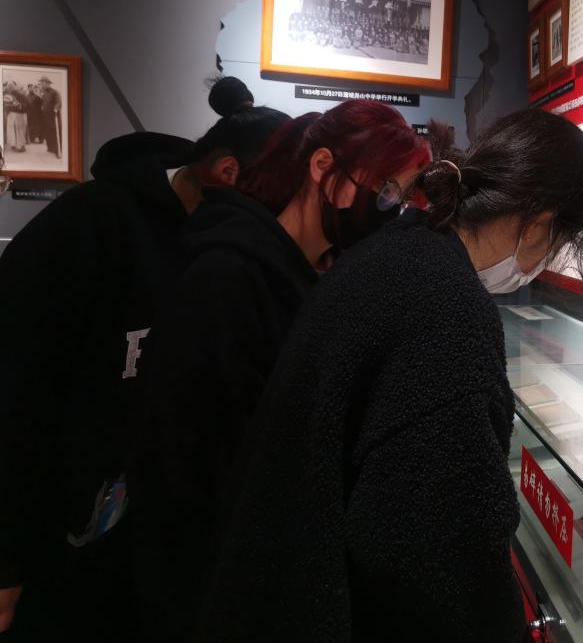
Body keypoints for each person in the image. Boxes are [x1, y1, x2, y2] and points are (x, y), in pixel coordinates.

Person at [197, 109, 583, 643]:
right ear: (539, 223)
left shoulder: (399, 251)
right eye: (557, 242)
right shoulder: (447, 308)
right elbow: (437, 561)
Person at [0, 77, 287, 642]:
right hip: (55, 553)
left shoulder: (225, 257)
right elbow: (16, 387)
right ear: (227, 172)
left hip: (144, 557)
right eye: (274, 200)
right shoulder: (91, 223)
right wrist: (6, 559)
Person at [133, 100, 430, 643]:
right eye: (385, 187)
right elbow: (193, 463)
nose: (389, 207)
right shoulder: (229, 276)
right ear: (322, 167)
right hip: (215, 586)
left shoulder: (309, 276)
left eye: (401, 195)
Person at [36, 76, 62, 158]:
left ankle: (58, 151)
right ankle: (51, 148)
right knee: (48, 132)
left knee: (55, 133)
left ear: (47, 83)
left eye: (42, 83)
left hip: (53, 116)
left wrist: (56, 108)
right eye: (41, 83)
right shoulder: (44, 93)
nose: (41, 85)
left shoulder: (55, 92)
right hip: (46, 117)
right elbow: (44, 103)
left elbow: (58, 102)